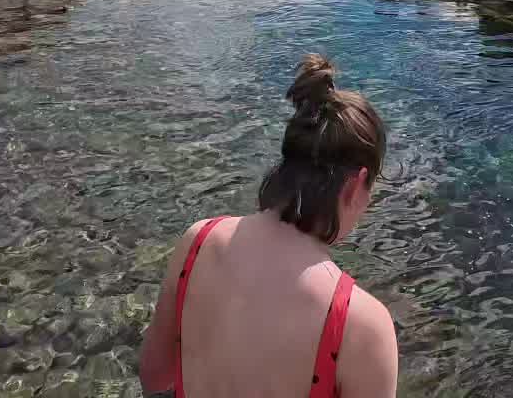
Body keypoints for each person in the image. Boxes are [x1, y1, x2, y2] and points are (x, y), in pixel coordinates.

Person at [139, 55, 399, 398]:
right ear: (356, 184)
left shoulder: (199, 240)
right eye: (372, 190)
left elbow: (154, 376)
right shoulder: (361, 324)